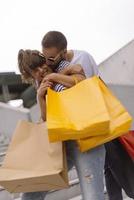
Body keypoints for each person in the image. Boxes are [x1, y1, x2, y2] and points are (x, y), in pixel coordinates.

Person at [18, 31, 105, 200]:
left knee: (93, 195)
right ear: (30, 75)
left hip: (85, 138)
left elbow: (81, 78)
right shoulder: (40, 82)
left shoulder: (60, 65)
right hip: (62, 143)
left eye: (42, 63)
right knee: (29, 194)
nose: (41, 69)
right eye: (35, 70)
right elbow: (47, 119)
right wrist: (40, 97)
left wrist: (55, 76)